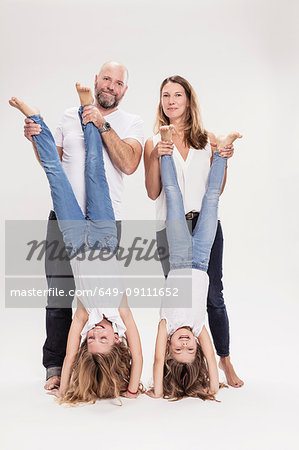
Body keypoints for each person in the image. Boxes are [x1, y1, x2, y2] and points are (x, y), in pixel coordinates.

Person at [9, 87, 143, 403]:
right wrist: (133, 388)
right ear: (116, 338)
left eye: (92, 338)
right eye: (103, 337)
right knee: (94, 168)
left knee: (56, 177)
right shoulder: (120, 307)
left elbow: (71, 356)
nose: (97, 332)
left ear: (86, 338)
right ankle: (88, 111)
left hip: (75, 241)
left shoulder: (84, 313)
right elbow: (136, 354)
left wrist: (66, 388)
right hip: (104, 234)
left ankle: (34, 116)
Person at [144, 75, 243, 387]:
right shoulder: (153, 141)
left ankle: (223, 359)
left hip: (205, 222)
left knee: (213, 295)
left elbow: (218, 188)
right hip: (171, 226)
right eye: (165, 96)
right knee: (181, 298)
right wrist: (159, 155)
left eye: (177, 95)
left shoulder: (206, 139)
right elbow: (152, 191)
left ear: (188, 101)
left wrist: (223, 159)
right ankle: (180, 362)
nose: (171, 101)